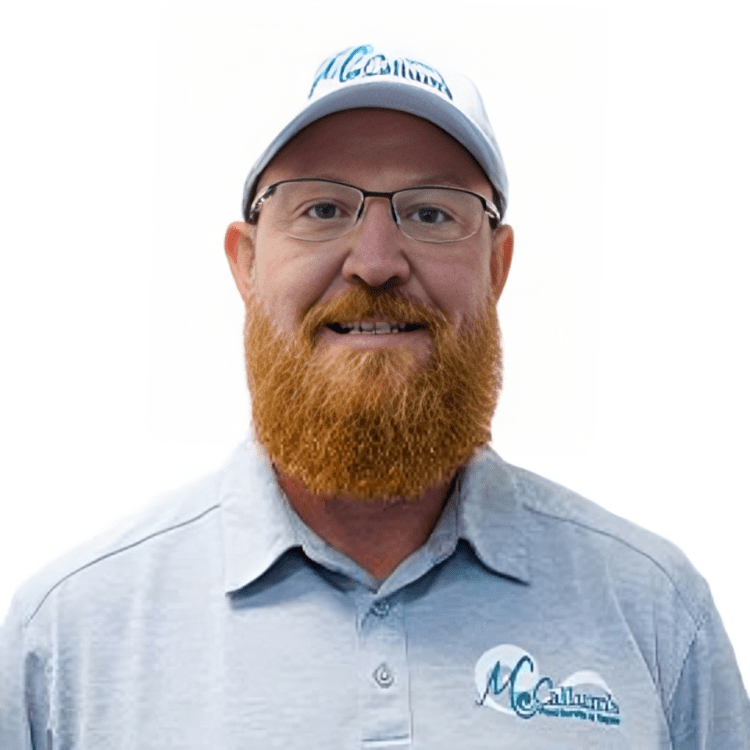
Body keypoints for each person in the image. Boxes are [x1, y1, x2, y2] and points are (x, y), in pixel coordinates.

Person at [1, 42, 748, 749]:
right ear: (247, 262)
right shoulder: (66, 642)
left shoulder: (655, 616)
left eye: (431, 213)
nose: (378, 262)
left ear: (497, 266)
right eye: (322, 208)